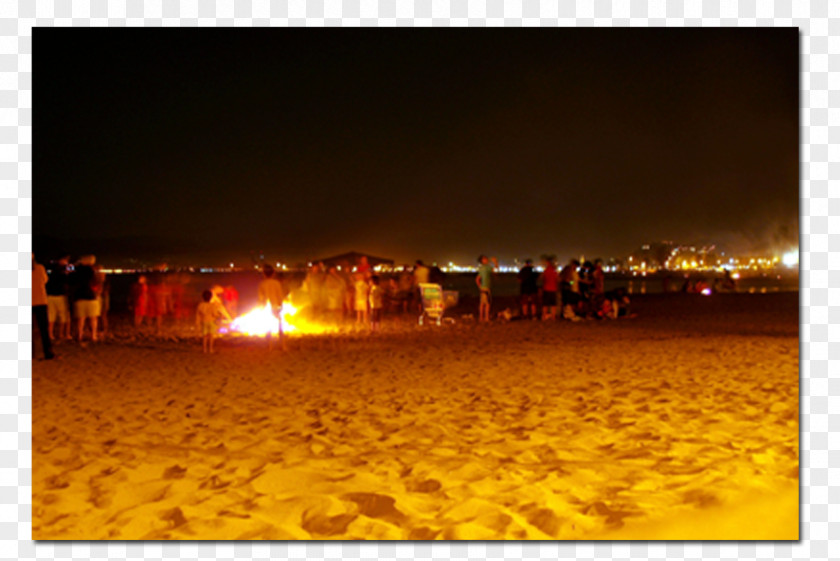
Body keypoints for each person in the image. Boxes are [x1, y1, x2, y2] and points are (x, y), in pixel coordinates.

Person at [72, 255, 100, 344]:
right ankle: (93, 335)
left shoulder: (77, 271)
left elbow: (72, 281)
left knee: (81, 318)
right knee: (93, 318)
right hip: (91, 296)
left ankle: (80, 335)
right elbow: (96, 281)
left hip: (79, 296)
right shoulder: (92, 271)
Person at [32, 254, 56, 360]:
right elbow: (45, 280)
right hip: (41, 300)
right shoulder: (40, 268)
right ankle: (48, 352)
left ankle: (31, 353)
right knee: (43, 329)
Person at [257, 265, 286, 351]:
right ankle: (283, 346)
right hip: (275, 306)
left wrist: (261, 307)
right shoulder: (276, 283)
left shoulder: (262, 284)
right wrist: (281, 306)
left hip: (267, 307)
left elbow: (260, 297)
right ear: (273, 273)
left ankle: (270, 346)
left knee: (269, 327)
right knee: (280, 326)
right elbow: (280, 295)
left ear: (264, 274)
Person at [45, 255, 72, 341]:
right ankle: (60, 334)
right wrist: (67, 274)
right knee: (62, 316)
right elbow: (66, 281)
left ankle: (50, 334)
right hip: (60, 295)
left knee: (51, 316)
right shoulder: (62, 271)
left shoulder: (51, 268)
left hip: (50, 295)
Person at [196, 289, 228, 353]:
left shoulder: (200, 305)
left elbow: (198, 315)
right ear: (211, 297)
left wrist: (197, 323)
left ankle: (204, 350)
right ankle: (210, 349)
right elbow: (215, 314)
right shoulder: (213, 305)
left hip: (204, 322)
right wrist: (220, 315)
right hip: (211, 322)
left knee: (204, 337)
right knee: (211, 336)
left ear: (202, 297)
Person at [475, 255, 498, 323]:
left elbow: (477, 279)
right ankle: (486, 318)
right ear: (482, 261)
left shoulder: (481, 268)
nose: (487, 259)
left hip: (483, 287)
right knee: (487, 303)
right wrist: (495, 262)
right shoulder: (487, 267)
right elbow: (495, 270)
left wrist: (480, 286)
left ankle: (481, 317)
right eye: (485, 259)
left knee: (482, 303)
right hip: (486, 287)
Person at [539, 256, 559, 321]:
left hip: (546, 289)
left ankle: (544, 316)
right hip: (553, 289)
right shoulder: (554, 271)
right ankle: (553, 317)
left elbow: (541, 278)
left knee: (545, 304)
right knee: (553, 304)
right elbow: (557, 279)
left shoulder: (546, 270)